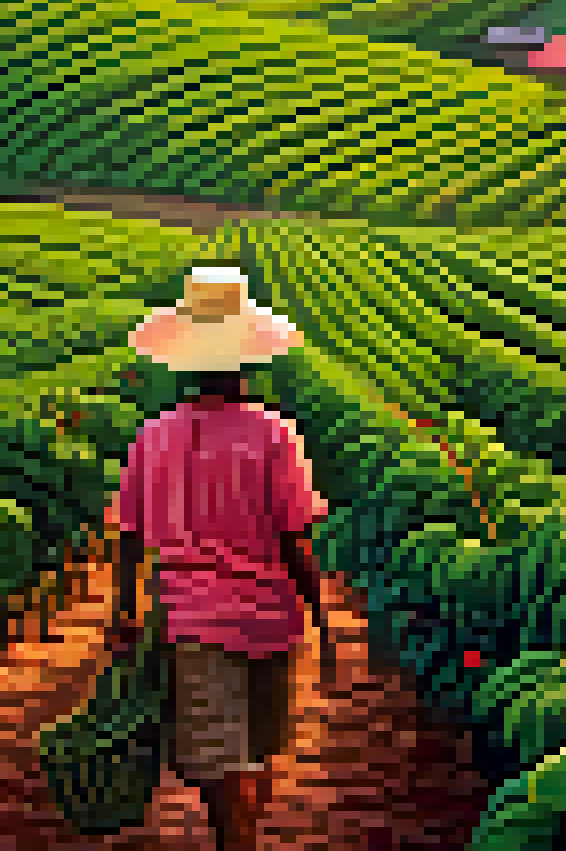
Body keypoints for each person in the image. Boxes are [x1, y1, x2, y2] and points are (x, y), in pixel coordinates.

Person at [109, 265, 330, 851]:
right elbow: (294, 541)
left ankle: (236, 840)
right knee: (253, 753)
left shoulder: (151, 437)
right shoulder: (275, 437)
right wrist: (322, 612)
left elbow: (128, 534)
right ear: (247, 359)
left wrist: (124, 610)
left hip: (192, 621)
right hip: (270, 619)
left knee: (221, 757)